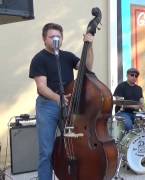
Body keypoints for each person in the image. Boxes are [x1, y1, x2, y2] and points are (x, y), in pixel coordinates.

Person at [29, 23, 94, 180]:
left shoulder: (67, 56)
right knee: (47, 151)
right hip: (48, 106)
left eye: (58, 36)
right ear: (44, 39)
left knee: (72, 146)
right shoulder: (39, 59)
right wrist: (57, 98)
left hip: (69, 106)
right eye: (52, 37)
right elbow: (41, 87)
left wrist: (89, 46)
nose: (55, 39)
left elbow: (87, 67)